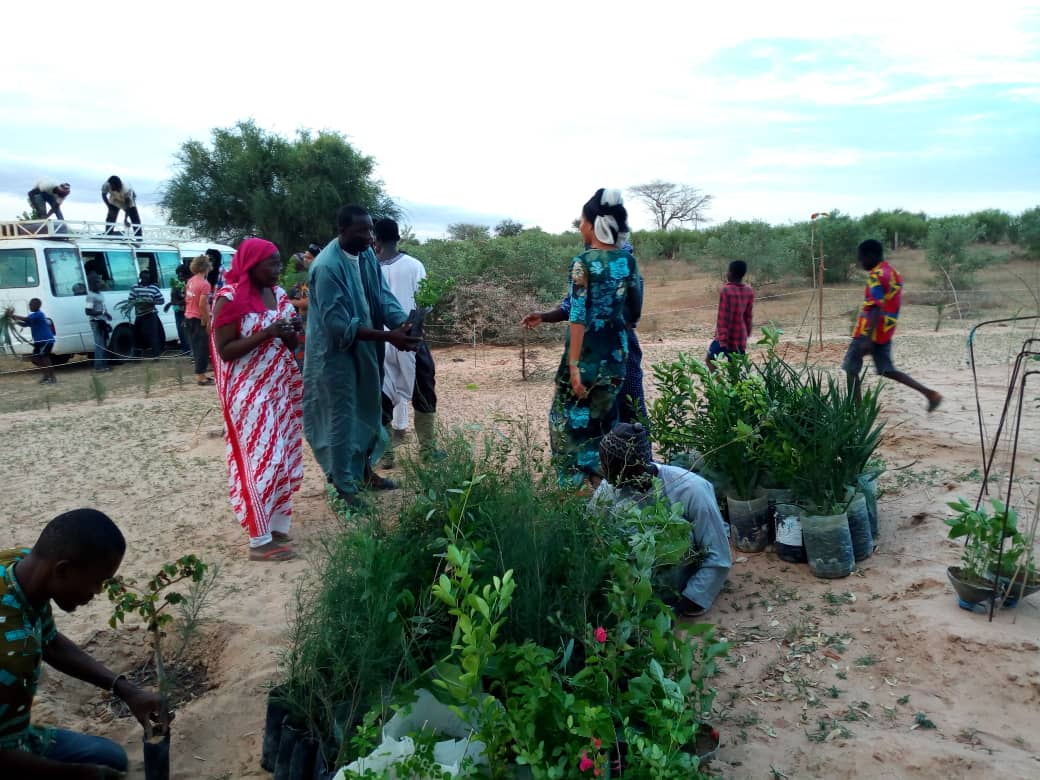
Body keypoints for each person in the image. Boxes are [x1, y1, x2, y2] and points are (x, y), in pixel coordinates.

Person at [0, 508, 167, 778]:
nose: (97, 593)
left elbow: (51, 643)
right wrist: (77, 774)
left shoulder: (19, 568)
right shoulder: (10, 652)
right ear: (63, 570)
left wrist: (125, 690)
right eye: (97, 582)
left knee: (110, 759)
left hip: (17, 734)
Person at [303, 205, 420, 505]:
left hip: (368, 350)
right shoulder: (327, 268)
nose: (370, 237)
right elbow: (337, 326)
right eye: (362, 231)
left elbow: (381, 295)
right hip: (335, 357)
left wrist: (401, 325)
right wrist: (389, 336)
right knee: (342, 418)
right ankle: (343, 486)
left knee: (369, 409)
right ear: (343, 231)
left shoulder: (366, 254)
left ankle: (365, 471)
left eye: (371, 229)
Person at [211, 238, 304, 561]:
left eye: (280, 263)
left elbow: (289, 342)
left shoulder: (277, 296)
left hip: (278, 387)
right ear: (252, 266)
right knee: (258, 460)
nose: (279, 270)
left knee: (280, 457)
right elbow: (225, 351)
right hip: (248, 392)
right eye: (272, 264)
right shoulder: (229, 299)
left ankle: (276, 524)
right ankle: (258, 539)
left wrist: (291, 331)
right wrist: (268, 333)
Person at [548, 188, 641, 487]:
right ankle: (607, 483)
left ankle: (573, 489)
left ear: (592, 224)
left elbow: (577, 314)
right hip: (616, 355)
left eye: (582, 222)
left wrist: (574, 365)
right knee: (605, 419)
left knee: (564, 421)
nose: (580, 227)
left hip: (586, 353)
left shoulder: (583, 262)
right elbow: (634, 312)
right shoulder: (628, 262)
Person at [593, 423, 732, 618]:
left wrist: (687, 601)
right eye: (603, 464)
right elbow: (591, 529)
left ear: (637, 466)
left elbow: (718, 555)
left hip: (679, 580)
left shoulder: (691, 489)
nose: (604, 472)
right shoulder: (610, 487)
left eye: (611, 466)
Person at [522, 240, 646, 425]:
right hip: (590, 348)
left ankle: (640, 454)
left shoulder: (631, 278)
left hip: (620, 347)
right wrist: (543, 317)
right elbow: (571, 308)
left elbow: (630, 317)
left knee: (631, 406)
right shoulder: (586, 276)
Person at [843, 239, 942, 411]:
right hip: (885, 332)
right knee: (886, 370)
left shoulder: (876, 276)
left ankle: (856, 412)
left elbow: (875, 307)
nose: (860, 262)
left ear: (871, 255)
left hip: (868, 331)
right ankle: (930, 394)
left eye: (862, 258)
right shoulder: (893, 273)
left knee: (851, 368)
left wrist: (866, 338)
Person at [373, 218, 440, 466]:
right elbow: (425, 304)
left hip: (379, 340)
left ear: (376, 240)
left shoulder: (369, 268)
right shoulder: (414, 265)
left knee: (381, 394)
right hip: (410, 339)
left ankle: (385, 454)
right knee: (423, 390)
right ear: (398, 237)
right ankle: (428, 451)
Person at [707, 260, 754, 369]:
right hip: (740, 336)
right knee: (734, 369)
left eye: (728, 271)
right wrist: (747, 333)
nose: (727, 273)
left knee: (709, 360)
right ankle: (732, 385)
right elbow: (748, 315)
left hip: (726, 336)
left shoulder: (726, 290)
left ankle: (720, 385)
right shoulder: (749, 290)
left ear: (731, 273)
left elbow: (723, 317)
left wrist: (722, 339)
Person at [287, 243, 320, 370]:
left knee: (304, 357)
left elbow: (306, 303)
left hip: (308, 324)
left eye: (308, 257)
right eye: (304, 258)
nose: (305, 260)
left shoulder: (309, 277)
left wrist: (288, 302)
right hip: (304, 324)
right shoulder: (305, 277)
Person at [7, 298, 57, 383]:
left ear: (37, 305)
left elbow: (26, 319)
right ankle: (46, 376)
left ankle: (52, 378)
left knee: (45, 357)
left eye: (31, 305)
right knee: (36, 358)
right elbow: (25, 324)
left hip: (46, 340)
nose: (29, 306)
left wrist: (12, 315)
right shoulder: (33, 316)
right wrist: (13, 320)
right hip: (39, 341)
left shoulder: (39, 314)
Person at [184, 255, 214, 385]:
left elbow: (188, 297)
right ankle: (201, 377)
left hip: (188, 316)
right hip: (198, 318)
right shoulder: (204, 284)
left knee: (196, 347)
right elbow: (202, 304)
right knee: (202, 348)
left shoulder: (191, 281)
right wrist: (206, 320)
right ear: (206, 267)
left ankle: (201, 374)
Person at [128, 270, 165, 359]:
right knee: (137, 335)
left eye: (147, 278)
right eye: (144, 278)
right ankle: (137, 356)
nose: (146, 280)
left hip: (151, 314)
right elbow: (130, 300)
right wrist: (137, 302)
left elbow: (161, 300)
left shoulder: (154, 288)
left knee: (153, 335)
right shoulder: (135, 287)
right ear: (140, 278)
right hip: (140, 315)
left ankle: (156, 355)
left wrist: (152, 302)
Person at [85, 274, 113, 372]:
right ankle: (99, 366)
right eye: (96, 282)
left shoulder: (99, 293)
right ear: (92, 284)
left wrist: (107, 314)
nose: (99, 283)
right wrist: (101, 313)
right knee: (99, 344)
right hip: (96, 322)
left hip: (102, 320)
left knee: (104, 343)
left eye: (99, 281)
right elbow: (88, 311)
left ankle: (105, 365)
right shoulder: (91, 296)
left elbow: (102, 306)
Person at [164, 265, 192, 356]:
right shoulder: (176, 284)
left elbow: (189, 299)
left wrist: (177, 302)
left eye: (182, 275)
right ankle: (184, 349)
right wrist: (173, 302)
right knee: (180, 330)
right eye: (178, 275)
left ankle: (190, 350)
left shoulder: (190, 284)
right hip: (177, 310)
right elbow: (173, 297)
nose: (180, 277)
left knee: (187, 331)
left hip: (187, 311)